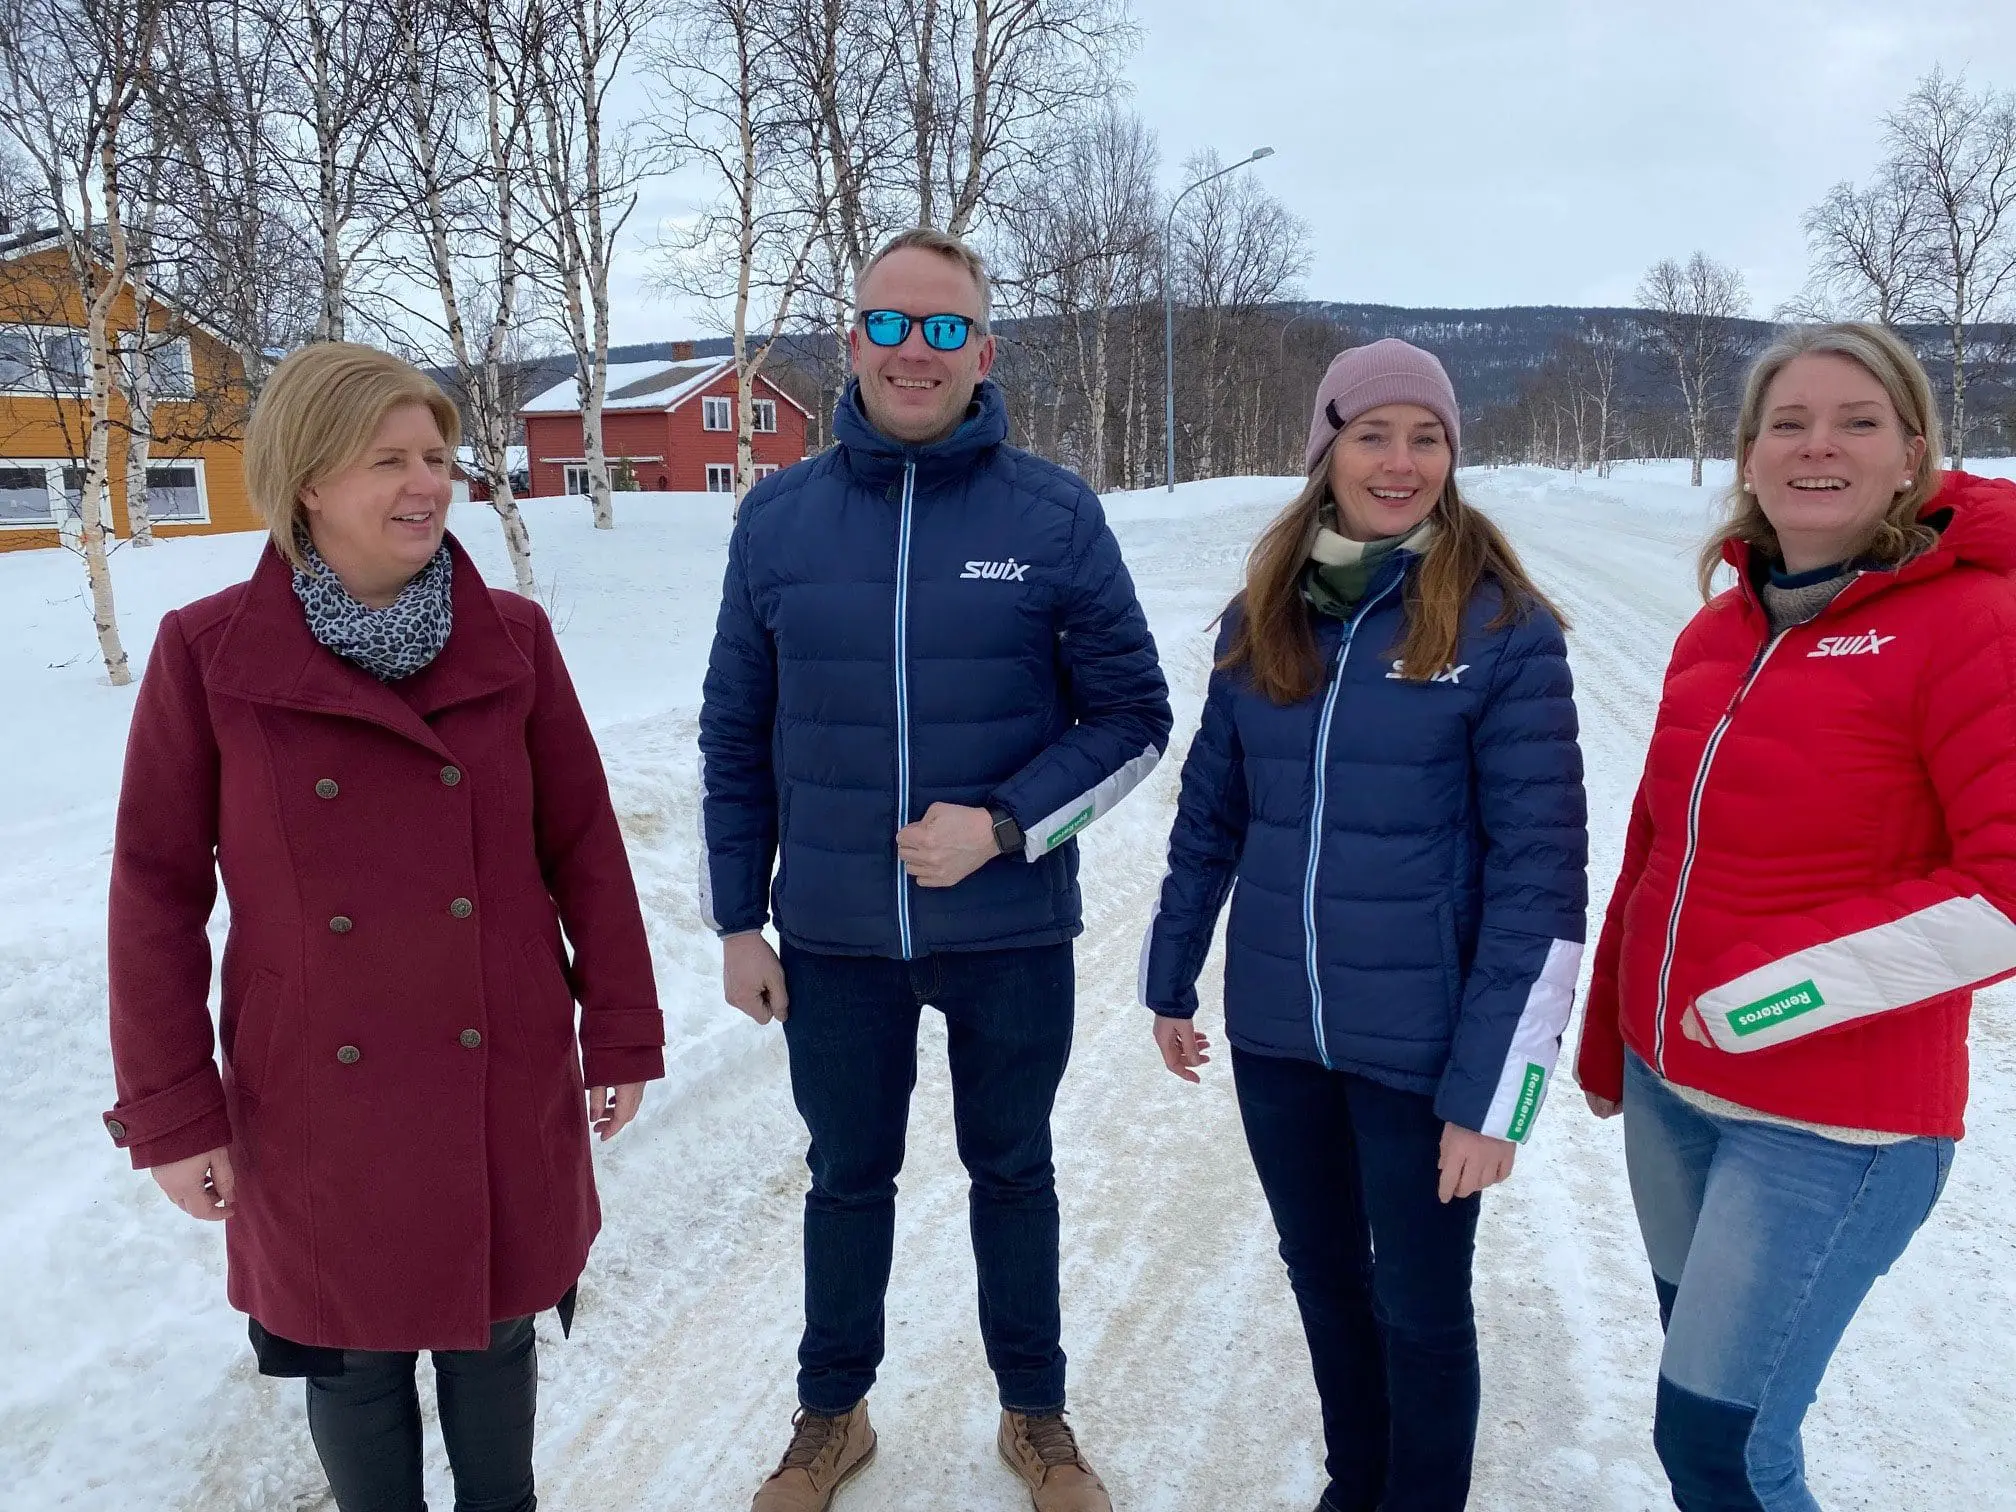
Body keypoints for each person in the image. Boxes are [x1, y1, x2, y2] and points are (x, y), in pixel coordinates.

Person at [103, 342, 665, 1512]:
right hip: (314, 1078)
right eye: (390, 461)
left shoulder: (513, 638)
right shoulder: (209, 653)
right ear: (309, 479)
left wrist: (618, 1032)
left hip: (497, 1056)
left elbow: (585, 851)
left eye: (439, 458)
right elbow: (155, 892)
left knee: (494, 1331)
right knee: (352, 1356)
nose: (428, 484)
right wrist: (169, 1111)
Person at [699, 227, 1171, 1512]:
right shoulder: (779, 519)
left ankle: (1039, 1421)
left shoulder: (1053, 515)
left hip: (1010, 931)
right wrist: (740, 918)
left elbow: (1135, 717)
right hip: (838, 940)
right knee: (847, 1178)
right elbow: (736, 731)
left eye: (946, 328)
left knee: (1012, 1170)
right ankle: (830, 1419)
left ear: (984, 351)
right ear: (851, 340)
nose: (918, 350)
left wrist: (1008, 824)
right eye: (893, 324)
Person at [1141, 339, 1588, 1512]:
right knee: (1327, 1282)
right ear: (1325, 451)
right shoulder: (1265, 616)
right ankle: (1359, 1486)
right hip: (1282, 1038)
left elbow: (1542, 885)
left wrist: (1500, 1096)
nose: (1399, 462)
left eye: (1426, 437)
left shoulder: (1501, 630)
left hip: (1423, 1047)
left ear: (1453, 455)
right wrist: (1170, 975)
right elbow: (1211, 815)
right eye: (1372, 435)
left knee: (1423, 1309)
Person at [1575, 322, 2016, 1512]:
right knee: (1701, 1407)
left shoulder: (1973, 620)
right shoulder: (1719, 627)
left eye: (1857, 421)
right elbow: (1659, 849)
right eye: (1789, 422)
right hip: (1674, 1102)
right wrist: (1616, 1026)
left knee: (1729, 1449)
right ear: (1750, 452)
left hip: (1828, 1134)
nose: (1819, 445)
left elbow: (2005, 893)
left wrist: (1768, 996)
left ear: (1913, 451)